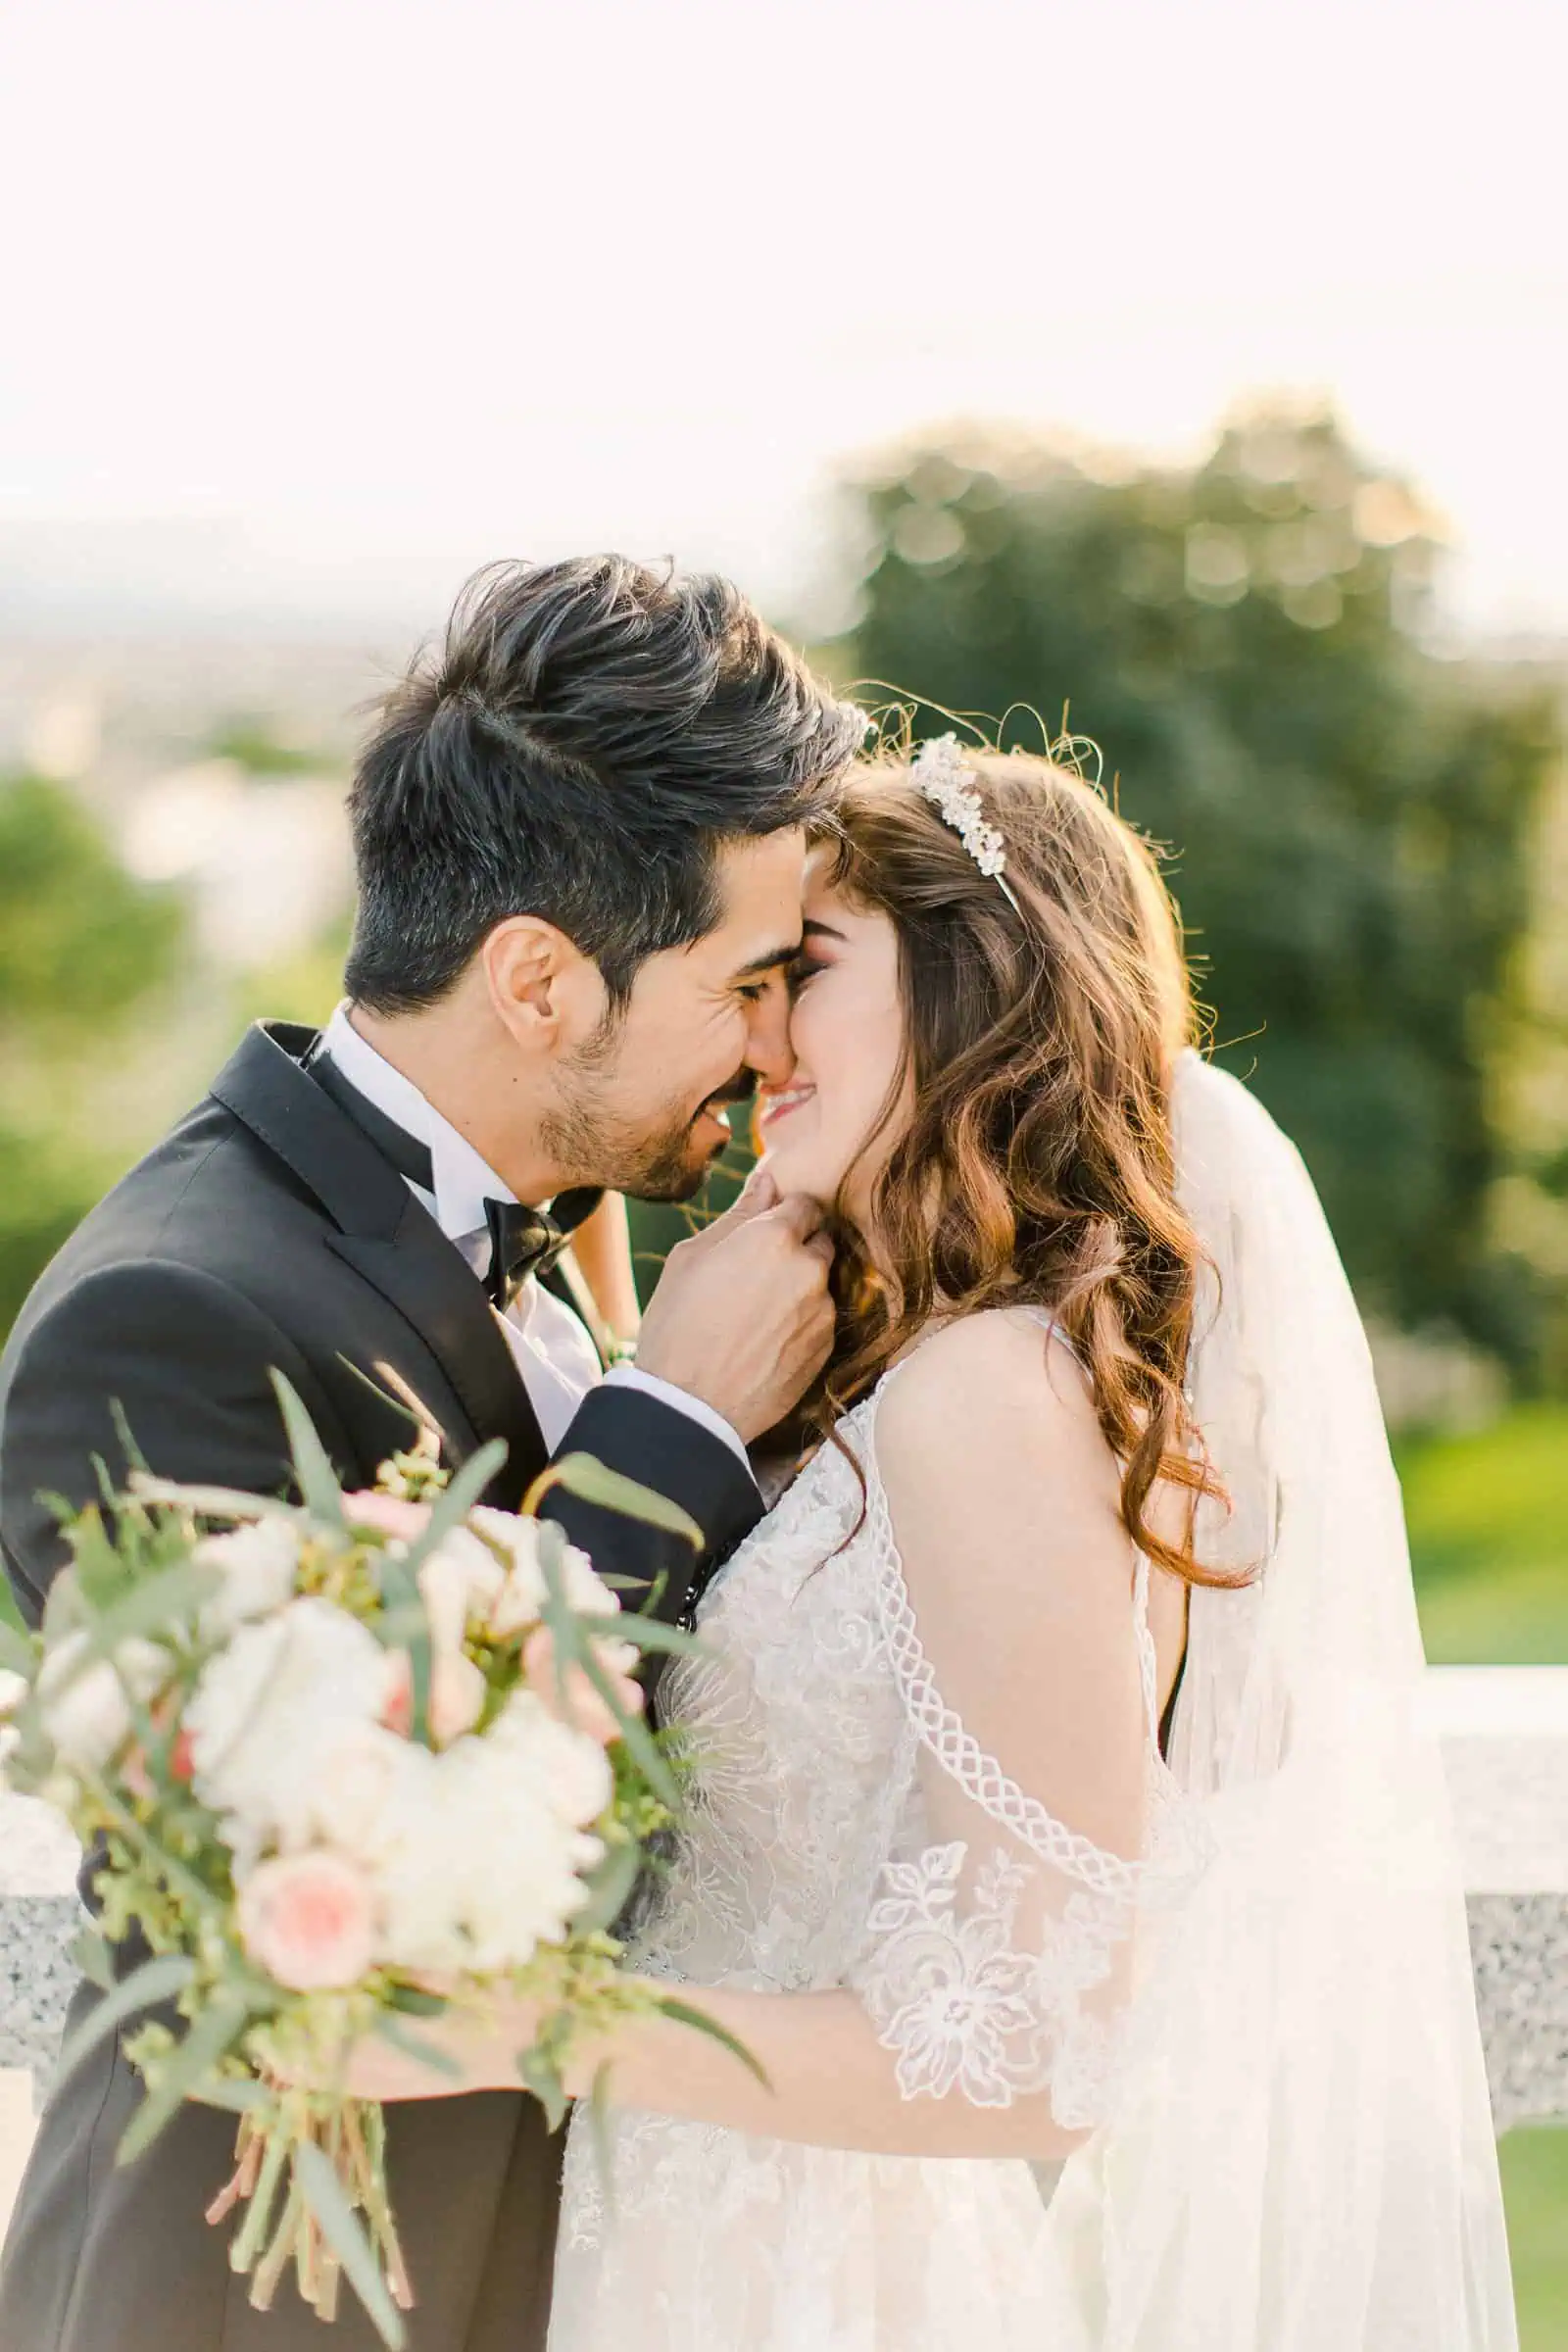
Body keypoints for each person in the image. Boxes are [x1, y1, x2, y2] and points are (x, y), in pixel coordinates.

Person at [329, 736, 1516, 2349]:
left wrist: (544, 2023)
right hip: (704, 2229)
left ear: (978, 989)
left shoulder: (987, 1392)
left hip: (794, 2277)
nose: (757, 1040)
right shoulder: (937, 1361)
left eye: (802, 972)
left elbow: (1041, 2046)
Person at [0, 555, 864, 2352]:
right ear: (540, 981)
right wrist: (667, 1436)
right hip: (276, 2295)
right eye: (754, 978)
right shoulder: (168, 1327)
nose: (782, 1044)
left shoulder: (553, 1216)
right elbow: (357, 1905)